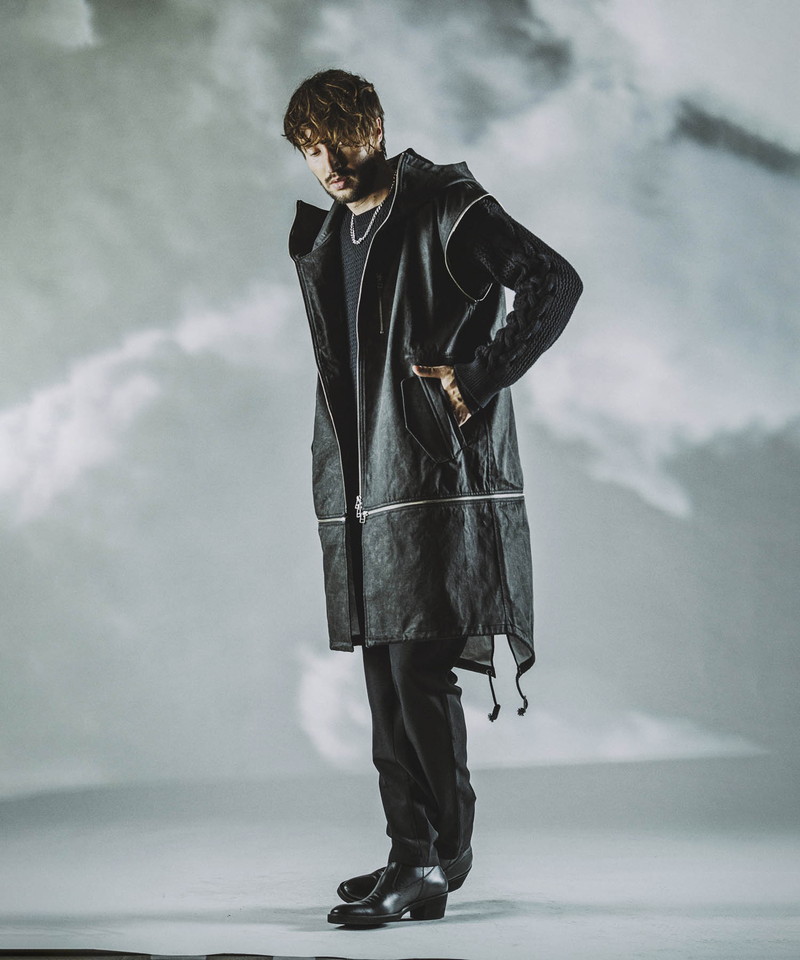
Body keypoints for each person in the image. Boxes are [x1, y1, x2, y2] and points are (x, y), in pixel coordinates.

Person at [284, 69, 582, 926]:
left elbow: (554, 281)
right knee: (385, 676)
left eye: (341, 139)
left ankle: (433, 856)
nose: (330, 162)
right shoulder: (332, 233)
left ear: (374, 127)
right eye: (311, 149)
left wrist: (477, 379)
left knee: (418, 668)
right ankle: (417, 854)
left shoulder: (447, 205)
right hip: (366, 482)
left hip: (437, 485)